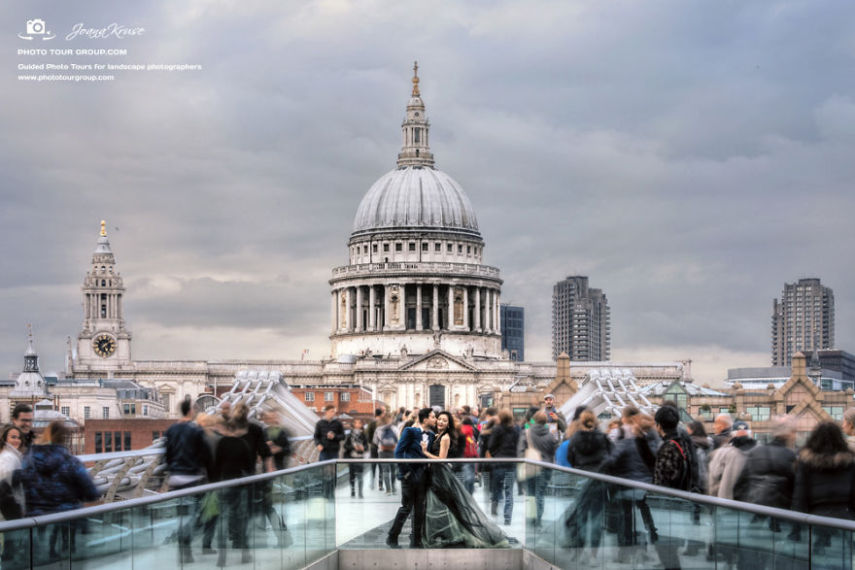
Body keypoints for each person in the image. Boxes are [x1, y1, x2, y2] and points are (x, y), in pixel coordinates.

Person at [418, 410, 508, 548]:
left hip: (440, 474)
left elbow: (441, 459)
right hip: (435, 473)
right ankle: (444, 533)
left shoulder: (445, 437)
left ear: (448, 425)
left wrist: (426, 453)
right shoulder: (437, 435)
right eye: (439, 419)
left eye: (444, 420)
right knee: (443, 504)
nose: (441, 422)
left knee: (443, 503)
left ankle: (448, 534)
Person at [21, 421, 100, 558]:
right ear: (66, 440)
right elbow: (91, 493)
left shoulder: (28, 459)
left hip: (35, 520)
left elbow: (23, 485)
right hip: (66, 518)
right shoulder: (71, 462)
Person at [600, 406, 658, 564]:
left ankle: (625, 552)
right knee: (644, 515)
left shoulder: (624, 434)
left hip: (626, 484)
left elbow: (612, 459)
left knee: (626, 519)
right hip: (646, 484)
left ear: (625, 418)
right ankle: (647, 546)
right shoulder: (649, 433)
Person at [792, 422, 855, 553]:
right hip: (845, 520)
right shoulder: (849, 461)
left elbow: (800, 497)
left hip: (815, 521)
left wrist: (796, 529)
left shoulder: (806, 462)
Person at [165, 398, 212, 563]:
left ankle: (182, 543)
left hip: (175, 478)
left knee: (180, 514)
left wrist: (170, 472)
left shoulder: (170, 430)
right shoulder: (196, 431)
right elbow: (206, 455)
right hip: (193, 478)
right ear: (191, 412)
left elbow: (167, 455)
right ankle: (185, 543)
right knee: (194, 515)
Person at [562, 410, 612, 562]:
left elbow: (570, 457)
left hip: (581, 479)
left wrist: (579, 466)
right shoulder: (603, 438)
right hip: (599, 480)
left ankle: (578, 551)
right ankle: (593, 556)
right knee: (596, 518)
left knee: (580, 516)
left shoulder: (576, 438)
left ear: (581, 422)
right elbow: (611, 456)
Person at [210, 414, 256, 566]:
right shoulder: (243, 444)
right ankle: (245, 554)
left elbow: (215, 465)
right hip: (239, 485)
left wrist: (214, 485)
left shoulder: (221, 443)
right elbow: (249, 467)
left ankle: (222, 557)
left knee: (223, 520)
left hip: (223, 485)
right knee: (241, 520)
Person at [386, 408, 435, 548]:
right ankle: (392, 536)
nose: (435, 419)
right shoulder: (410, 431)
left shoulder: (431, 435)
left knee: (420, 508)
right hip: (409, 475)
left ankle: (416, 539)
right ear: (425, 419)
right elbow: (398, 452)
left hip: (423, 476)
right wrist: (405, 472)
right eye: (432, 417)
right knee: (406, 507)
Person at [520, 411, 557, 528]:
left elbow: (521, 451)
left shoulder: (526, 433)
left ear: (534, 420)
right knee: (540, 494)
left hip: (531, 465)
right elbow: (553, 452)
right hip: (545, 468)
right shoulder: (551, 435)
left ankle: (531, 518)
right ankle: (539, 520)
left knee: (530, 493)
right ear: (545, 421)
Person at [487, 409, 520, 525]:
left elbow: (491, 446)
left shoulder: (497, 429)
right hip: (511, 464)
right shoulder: (516, 430)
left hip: (499, 464)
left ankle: (494, 510)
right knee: (509, 491)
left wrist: (496, 454)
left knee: (497, 488)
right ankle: (508, 517)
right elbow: (517, 445)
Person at [708, 420, 755, 500]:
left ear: (732, 434)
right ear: (749, 434)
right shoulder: (758, 451)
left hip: (727, 503)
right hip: (751, 505)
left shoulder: (722, 452)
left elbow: (713, 479)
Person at [0, 425, 24, 521]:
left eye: (19, 438)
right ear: (5, 439)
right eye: (13, 437)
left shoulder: (8, 455)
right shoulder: (9, 457)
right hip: (9, 515)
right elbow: (4, 487)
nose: (17, 440)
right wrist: (16, 512)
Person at [373, 412, 398, 495]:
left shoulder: (378, 429)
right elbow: (398, 440)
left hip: (382, 451)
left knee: (385, 471)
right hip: (393, 451)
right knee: (393, 470)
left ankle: (388, 490)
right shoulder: (394, 428)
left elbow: (375, 442)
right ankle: (394, 488)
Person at [344, 418, 368, 498]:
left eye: (359, 423)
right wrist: (353, 447)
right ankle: (353, 490)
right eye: (356, 423)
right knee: (352, 475)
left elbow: (367, 446)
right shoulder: (350, 435)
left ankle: (360, 492)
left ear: (361, 425)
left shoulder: (363, 435)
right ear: (353, 425)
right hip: (352, 457)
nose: (357, 425)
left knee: (360, 475)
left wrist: (363, 448)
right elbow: (345, 446)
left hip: (360, 457)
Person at [458, 417, 479, 493]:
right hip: (472, 456)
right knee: (471, 477)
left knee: (466, 478)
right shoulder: (472, 431)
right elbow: (473, 443)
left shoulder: (461, 431)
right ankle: (470, 493)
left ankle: (467, 494)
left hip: (464, 456)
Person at [366, 407, 385, 490]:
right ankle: (380, 484)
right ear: (381, 414)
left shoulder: (371, 423)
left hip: (373, 447)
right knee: (381, 466)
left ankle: (372, 483)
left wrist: (371, 442)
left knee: (373, 465)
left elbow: (367, 434)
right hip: (382, 447)